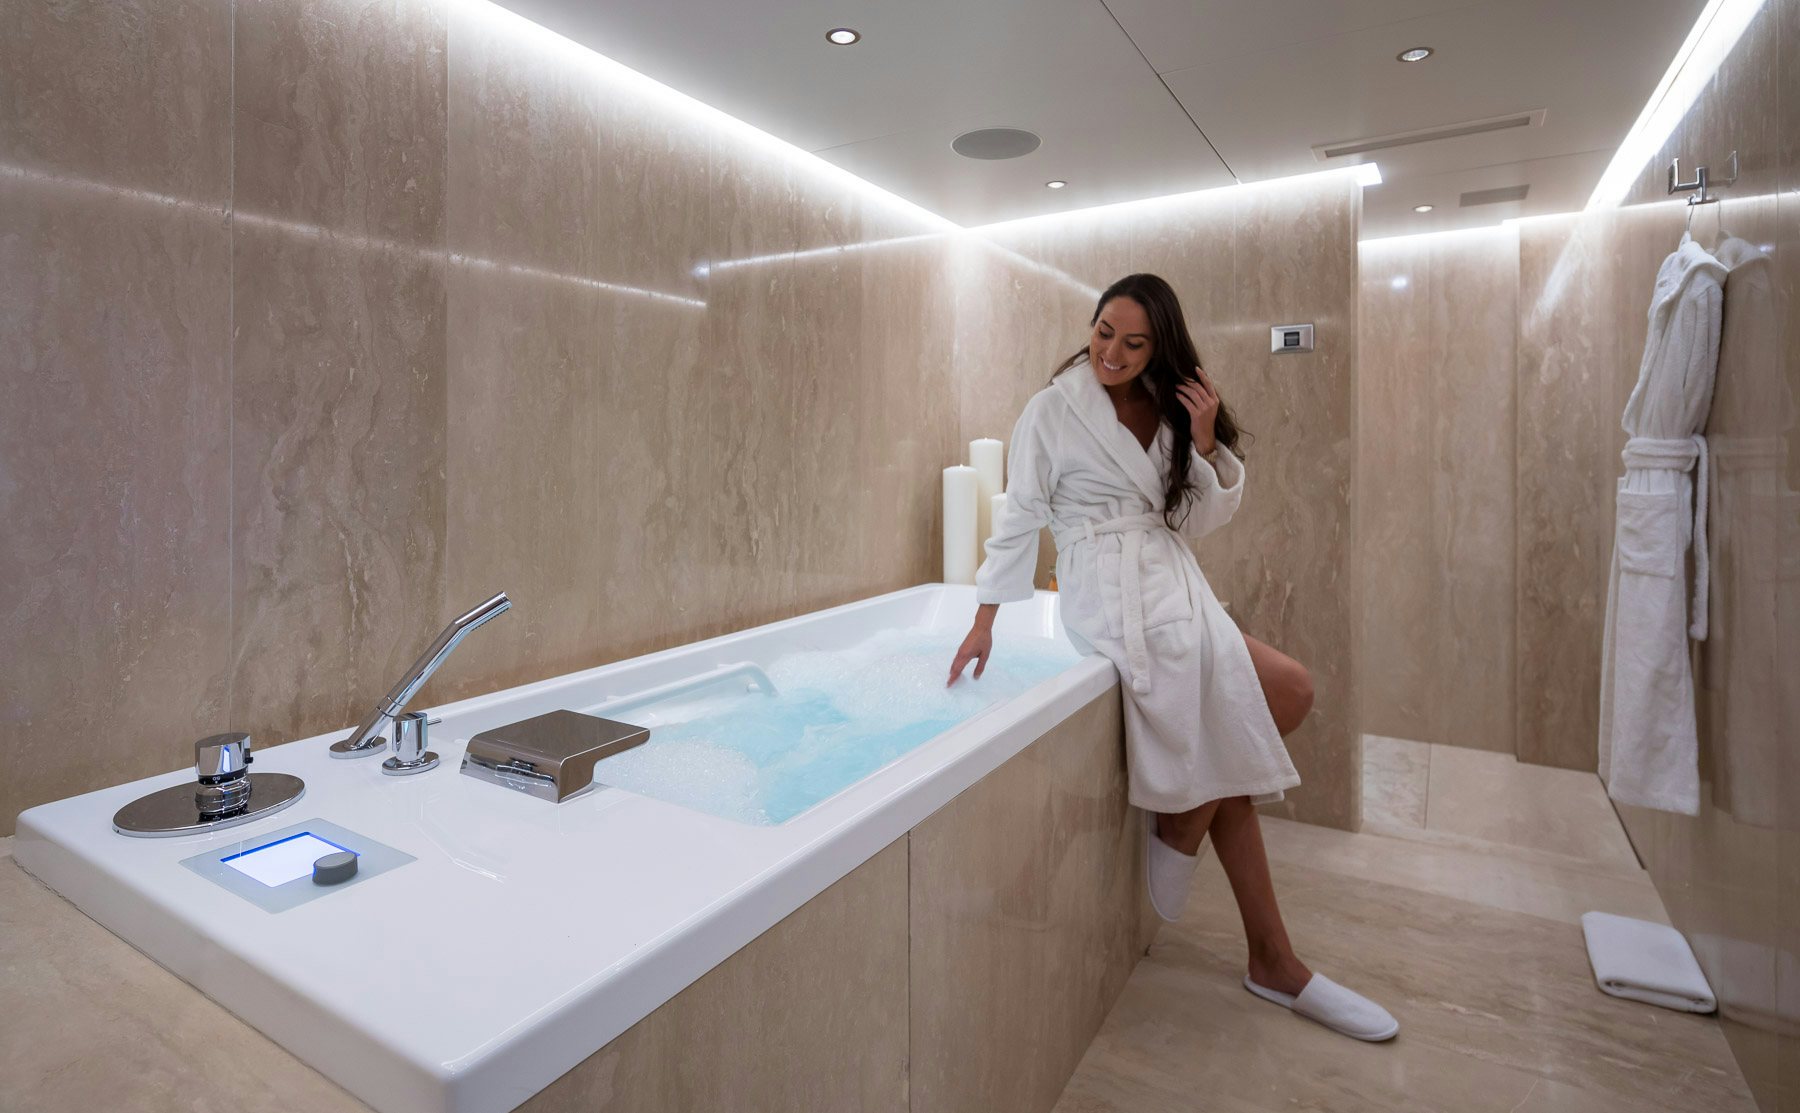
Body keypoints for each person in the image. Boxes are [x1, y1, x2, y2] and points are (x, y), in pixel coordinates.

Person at [945, 273, 1397, 1043]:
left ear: (1161, 346)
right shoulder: (1051, 410)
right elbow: (1020, 515)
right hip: (1102, 587)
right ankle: (1274, 958)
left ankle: (1188, 839)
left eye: (1133, 341)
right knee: (1245, 725)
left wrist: (1210, 439)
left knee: (1286, 692)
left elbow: (1197, 515)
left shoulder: (1168, 406)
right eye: (1102, 332)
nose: (1111, 352)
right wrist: (984, 616)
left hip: (1174, 579)